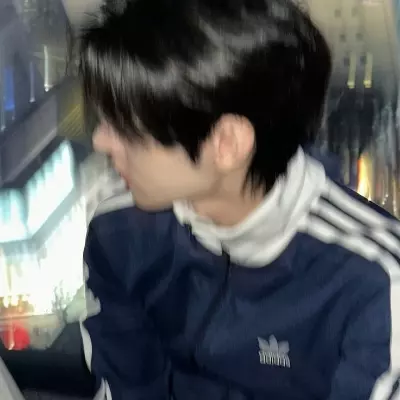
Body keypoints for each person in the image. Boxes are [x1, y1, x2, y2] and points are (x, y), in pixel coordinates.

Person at [78, 0, 400, 399]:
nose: (100, 141)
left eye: (126, 127)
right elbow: (125, 383)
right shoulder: (119, 231)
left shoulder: (375, 283)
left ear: (226, 143)